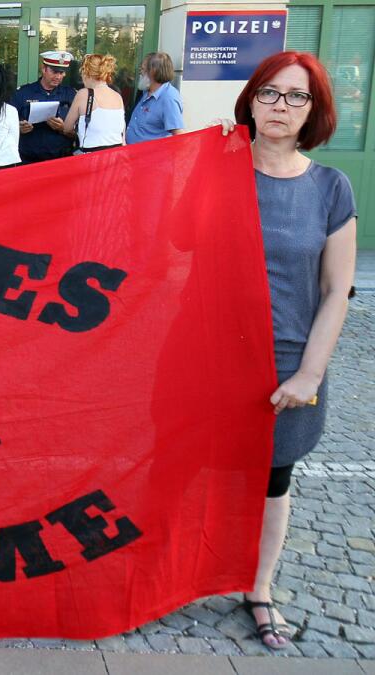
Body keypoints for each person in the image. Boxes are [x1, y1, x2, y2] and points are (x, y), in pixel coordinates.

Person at [216, 52, 356, 651]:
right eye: (269, 93)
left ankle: (258, 586)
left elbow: (335, 291)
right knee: (189, 474)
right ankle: (172, 581)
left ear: (314, 109)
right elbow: (169, 248)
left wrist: (311, 374)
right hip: (207, 356)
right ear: (250, 99)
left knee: (274, 480)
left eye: (296, 97)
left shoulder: (330, 187)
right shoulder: (213, 172)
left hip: (286, 366)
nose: (280, 107)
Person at [11, 50, 77, 163]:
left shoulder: (71, 94)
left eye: (61, 73)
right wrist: (18, 129)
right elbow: (6, 126)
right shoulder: (23, 93)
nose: (58, 76)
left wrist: (64, 129)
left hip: (62, 159)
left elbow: (82, 133)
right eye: (55, 72)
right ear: (43, 69)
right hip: (29, 160)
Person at [63, 54, 125, 153]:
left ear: (86, 73)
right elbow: (122, 137)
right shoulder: (118, 97)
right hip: (115, 156)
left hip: (92, 157)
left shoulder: (84, 94)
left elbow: (66, 128)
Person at [126, 52, 185, 144]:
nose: (140, 72)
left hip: (153, 156)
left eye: (143, 69)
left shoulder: (168, 98)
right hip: (134, 154)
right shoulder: (145, 91)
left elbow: (179, 136)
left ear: (153, 71)